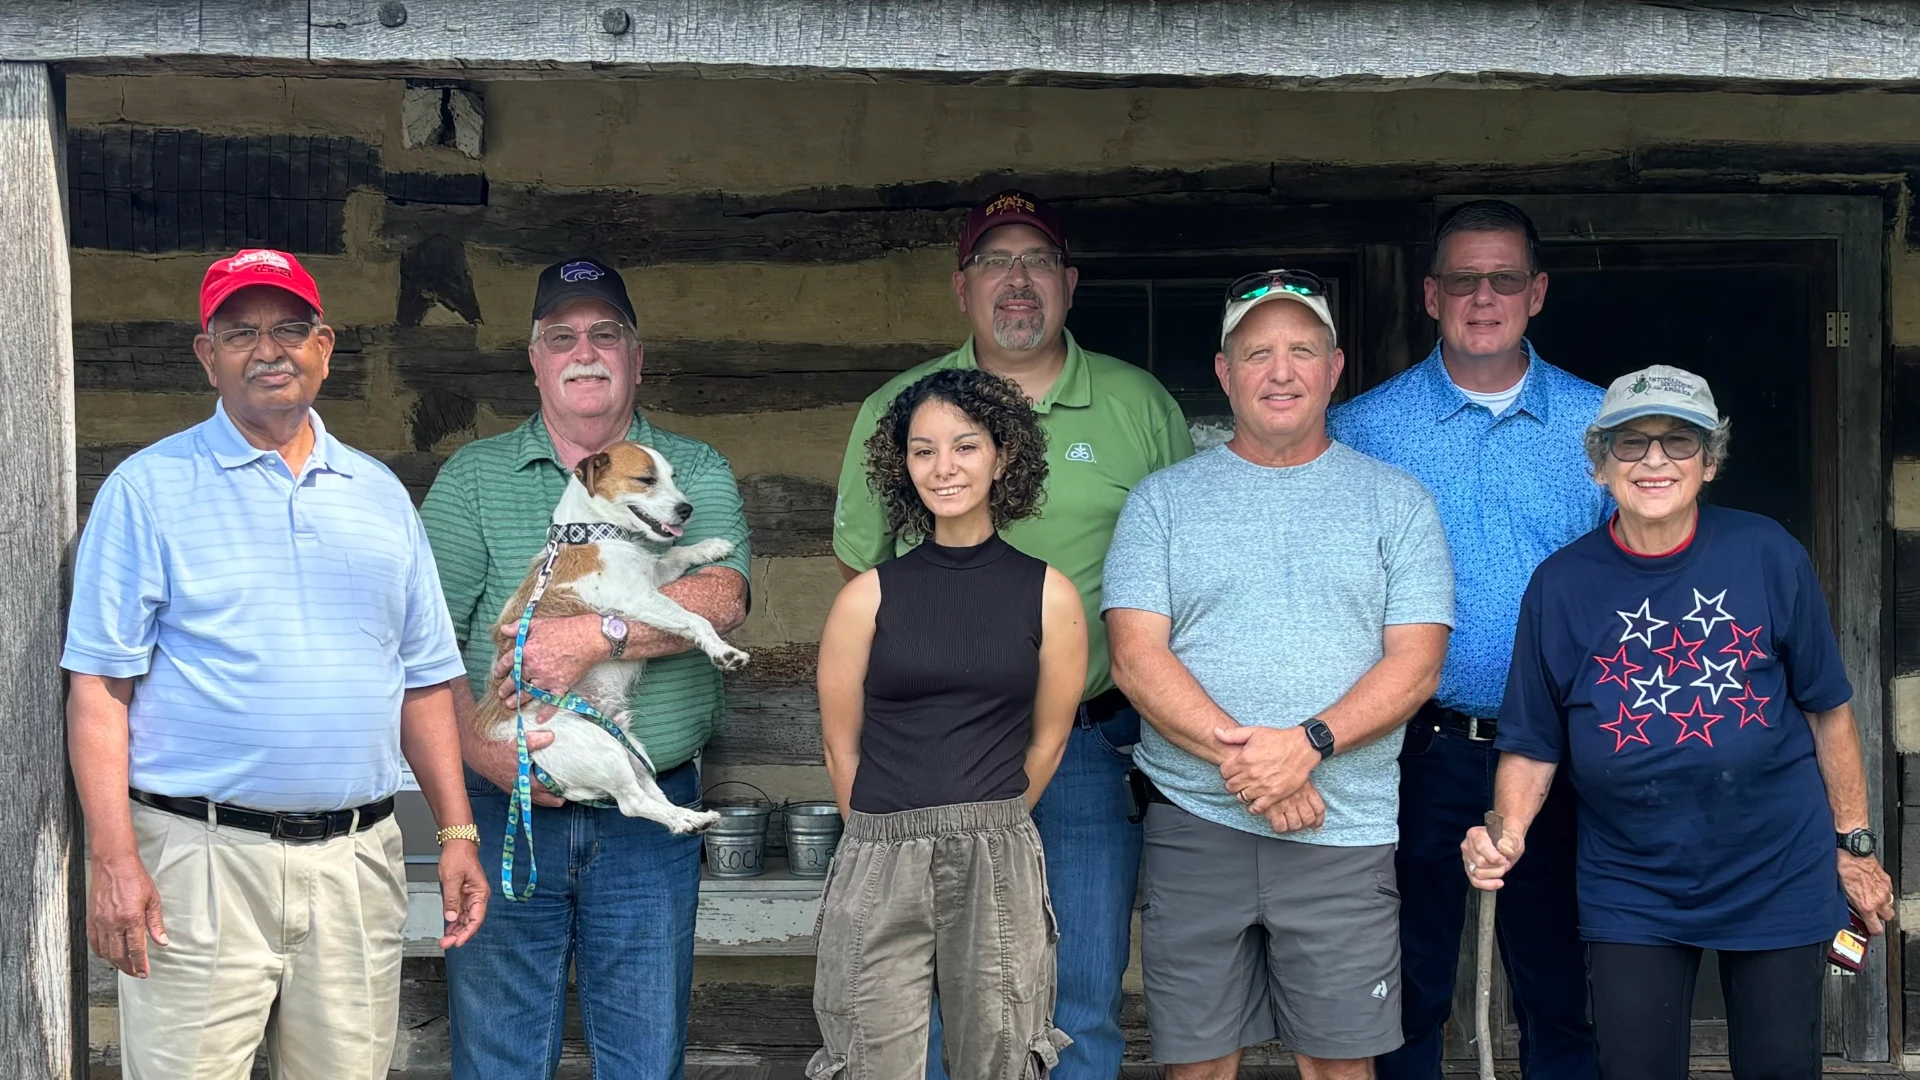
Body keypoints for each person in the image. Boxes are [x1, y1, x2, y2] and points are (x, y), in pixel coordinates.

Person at [63, 248, 486, 1080]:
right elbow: (100, 689)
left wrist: (457, 831)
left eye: (290, 328)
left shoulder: (379, 496)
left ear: (324, 347)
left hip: (357, 861)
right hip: (196, 858)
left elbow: (426, 680)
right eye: (241, 331)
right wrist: (114, 860)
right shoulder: (148, 490)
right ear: (207, 354)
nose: (269, 349)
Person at [832, 189, 1192, 1080]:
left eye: (1035, 260)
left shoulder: (1136, 405)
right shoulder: (899, 408)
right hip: (934, 754)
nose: (1016, 280)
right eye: (995, 261)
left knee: (1076, 998)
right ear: (962, 287)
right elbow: (864, 581)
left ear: (1067, 283)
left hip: (1086, 744)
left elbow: (1192, 564)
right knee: (951, 996)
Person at [1464, 365, 1895, 1080]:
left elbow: (1828, 710)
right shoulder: (1561, 585)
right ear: (1599, 465)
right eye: (1631, 444)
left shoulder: (1767, 555)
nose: (1655, 461)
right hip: (1632, 879)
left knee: (1783, 1065)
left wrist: (1854, 846)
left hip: (1776, 866)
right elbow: (1533, 743)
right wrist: (1506, 836)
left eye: (1679, 442)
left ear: (1711, 461)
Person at [1104, 271, 1454, 1080]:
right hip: (1196, 823)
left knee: (1339, 1066)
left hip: (1344, 828)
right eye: (1257, 353)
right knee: (1199, 1065)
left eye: (1303, 350)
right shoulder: (1163, 503)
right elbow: (1135, 657)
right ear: (1225, 374)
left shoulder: (1396, 503)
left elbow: (1418, 661)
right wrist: (1254, 766)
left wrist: (1307, 746)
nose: (1281, 371)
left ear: (1336, 368)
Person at [420, 257, 752, 1079]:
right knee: (500, 1059)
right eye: (561, 336)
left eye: (607, 334)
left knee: (642, 1061)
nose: (586, 352)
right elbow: (415, 644)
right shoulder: (472, 479)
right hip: (505, 801)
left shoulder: (690, 469)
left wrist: (595, 635)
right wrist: (481, 753)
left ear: (637, 358)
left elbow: (722, 596)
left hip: (651, 809)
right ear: (535, 361)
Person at [1328, 200, 1601, 1079]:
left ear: (1539, 292)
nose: (1484, 298)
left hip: (1566, 749)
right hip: (1417, 743)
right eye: (1462, 280)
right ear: (1429, 294)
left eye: (1505, 278)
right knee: (1408, 983)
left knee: (1560, 983)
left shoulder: (1601, 429)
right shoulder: (1366, 428)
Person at [812, 367, 1086, 1080]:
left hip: (996, 852)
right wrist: (885, 835)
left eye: (965, 446)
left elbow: (1050, 737)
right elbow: (842, 745)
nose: (944, 467)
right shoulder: (867, 598)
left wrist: (986, 822)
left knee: (999, 1061)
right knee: (870, 1063)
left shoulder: (1049, 595)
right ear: (902, 466)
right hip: (880, 853)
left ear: (1002, 456)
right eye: (922, 449)